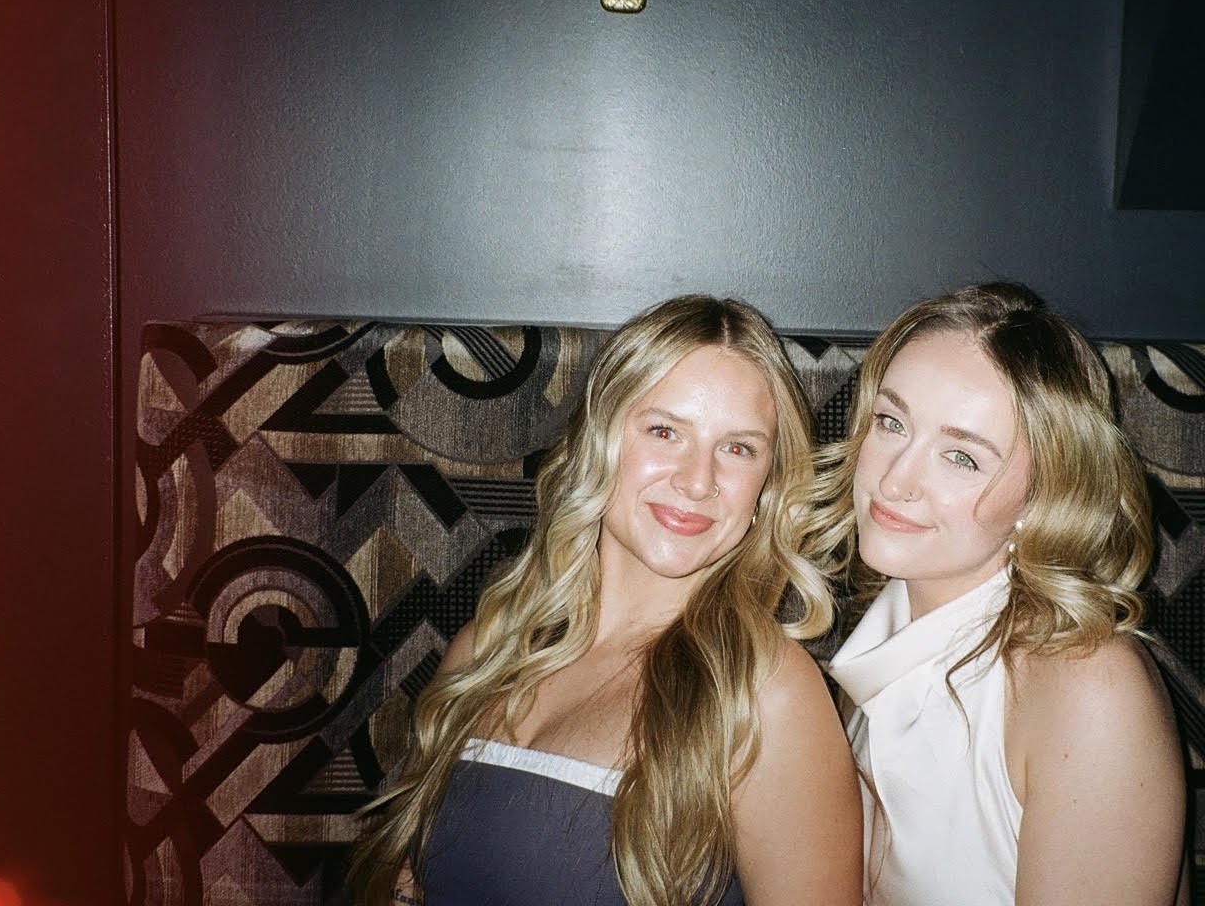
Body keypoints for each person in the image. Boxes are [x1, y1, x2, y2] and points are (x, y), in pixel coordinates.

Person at [349, 294, 863, 906]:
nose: (698, 481)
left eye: (738, 448)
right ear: (600, 439)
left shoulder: (765, 692)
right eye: (664, 431)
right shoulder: (494, 643)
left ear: (767, 484)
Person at [804, 281, 1185, 906]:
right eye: (891, 422)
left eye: (962, 457)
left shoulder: (1088, 685)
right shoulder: (888, 640)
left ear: (1041, 500)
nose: (894, 479)